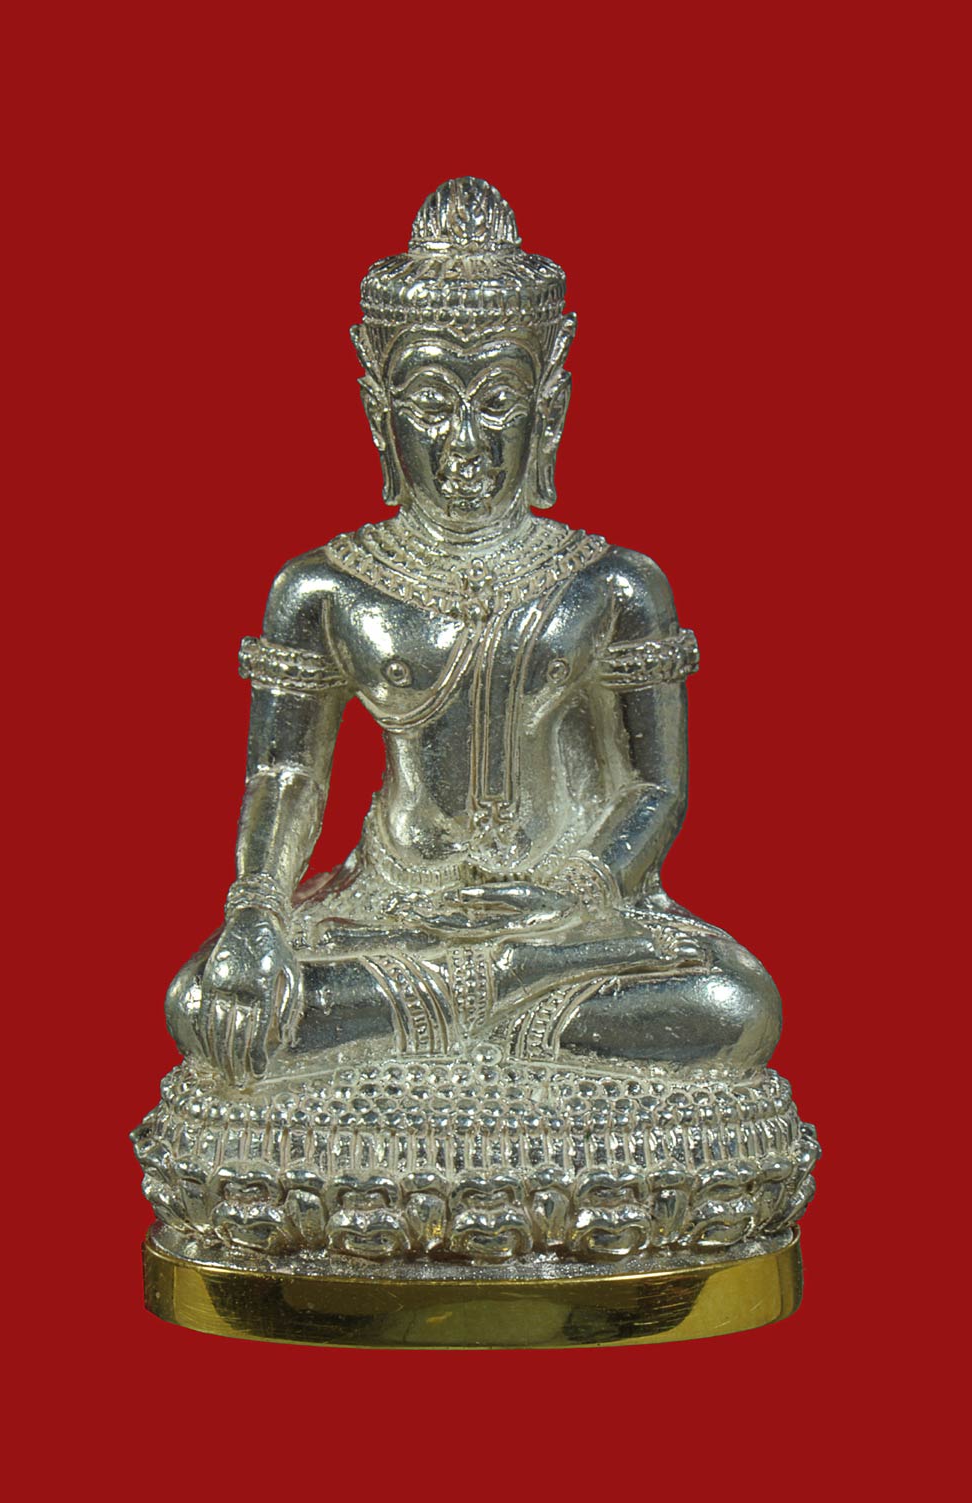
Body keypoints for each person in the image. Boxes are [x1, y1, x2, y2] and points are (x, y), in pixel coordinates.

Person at [166, 178, 780, 1086]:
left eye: (496, 400)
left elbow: (653, 787)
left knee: (731, 1004)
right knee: (204, 1002)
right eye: (429, 402)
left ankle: (464, 1006)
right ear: (378, 412)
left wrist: (575, 892)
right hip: (391, 912)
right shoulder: (324, 588)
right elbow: (284, 774)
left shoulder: (613, 584)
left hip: (564, 923)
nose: (463, 441)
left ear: (550, 407)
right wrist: (255, 914)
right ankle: (494, 1006)